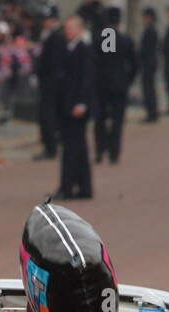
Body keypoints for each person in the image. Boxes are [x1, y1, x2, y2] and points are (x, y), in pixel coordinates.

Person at [56, 15, 95, 199]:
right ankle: (82, 187)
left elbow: (87, 79)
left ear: (79, 29)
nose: (67, 31)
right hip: (67, 105)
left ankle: (68, 186)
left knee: (73, 148)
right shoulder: (69, 48)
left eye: (71, 28)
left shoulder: (84, 49)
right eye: (66, 28)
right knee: (76, 148)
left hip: (77, 106)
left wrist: (82, 102)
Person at [94, 6, 136, 164]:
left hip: (101, 86)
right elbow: (134, 64)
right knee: (117, 120)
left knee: (100, 119)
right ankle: (114, 153)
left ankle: (100, 150)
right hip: (119, 85)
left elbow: (95, 61)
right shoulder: (125, 39)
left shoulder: (100, 38)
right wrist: (128, 80)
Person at [34, 6, 67, 158]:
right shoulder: (50, 35)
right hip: (49, 82)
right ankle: (50, 145)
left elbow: (52, 62)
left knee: (48, 115)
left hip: (51, 83)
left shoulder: (56, 36)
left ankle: (50, 147)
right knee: (47, 115)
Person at [139, 7, 160, 122]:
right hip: (150, 63)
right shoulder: (151, 29)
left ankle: (152, 114)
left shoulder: (150, 30)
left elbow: (145, 49)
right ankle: (153, 112)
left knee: (148, 89)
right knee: (149, 89)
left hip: (148, 63)